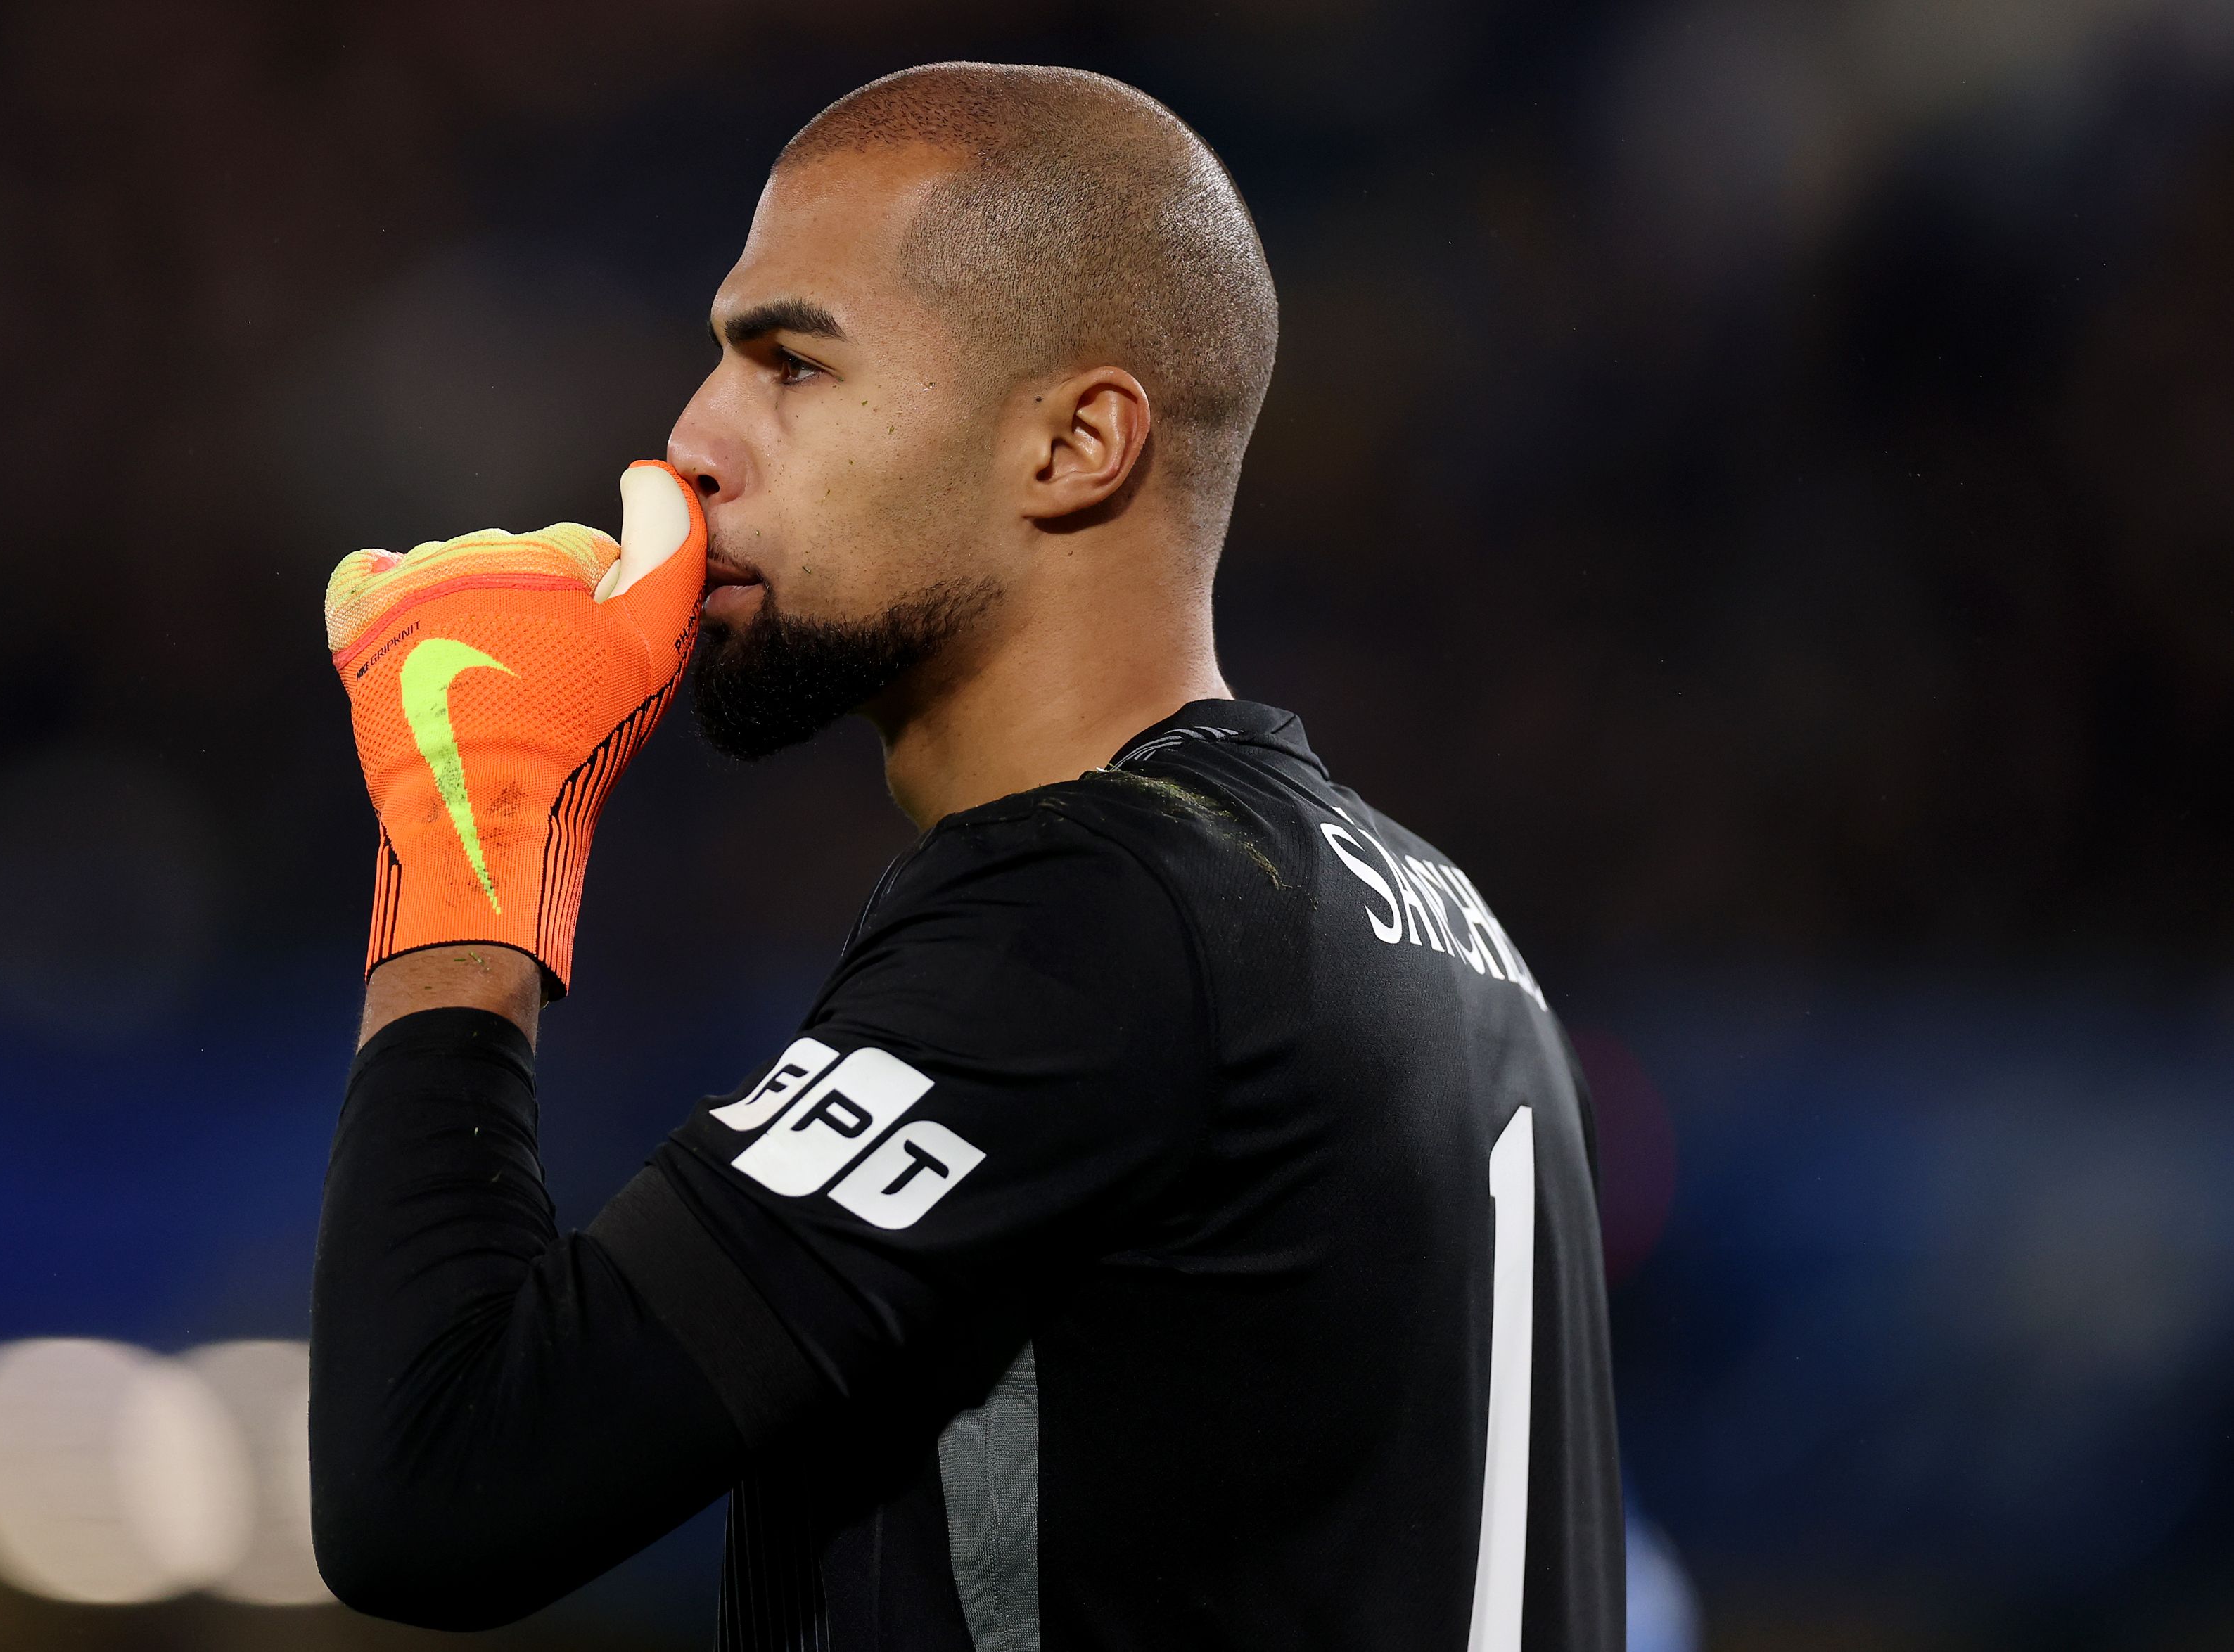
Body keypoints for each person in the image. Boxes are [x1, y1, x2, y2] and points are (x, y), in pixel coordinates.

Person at [310, 61, 1623, 1650]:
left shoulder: (1094, 915)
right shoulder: (1435, 922)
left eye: (791, 363)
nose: (690, 442)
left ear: (1075, 443)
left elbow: (435, 1484)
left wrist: (476, 830)